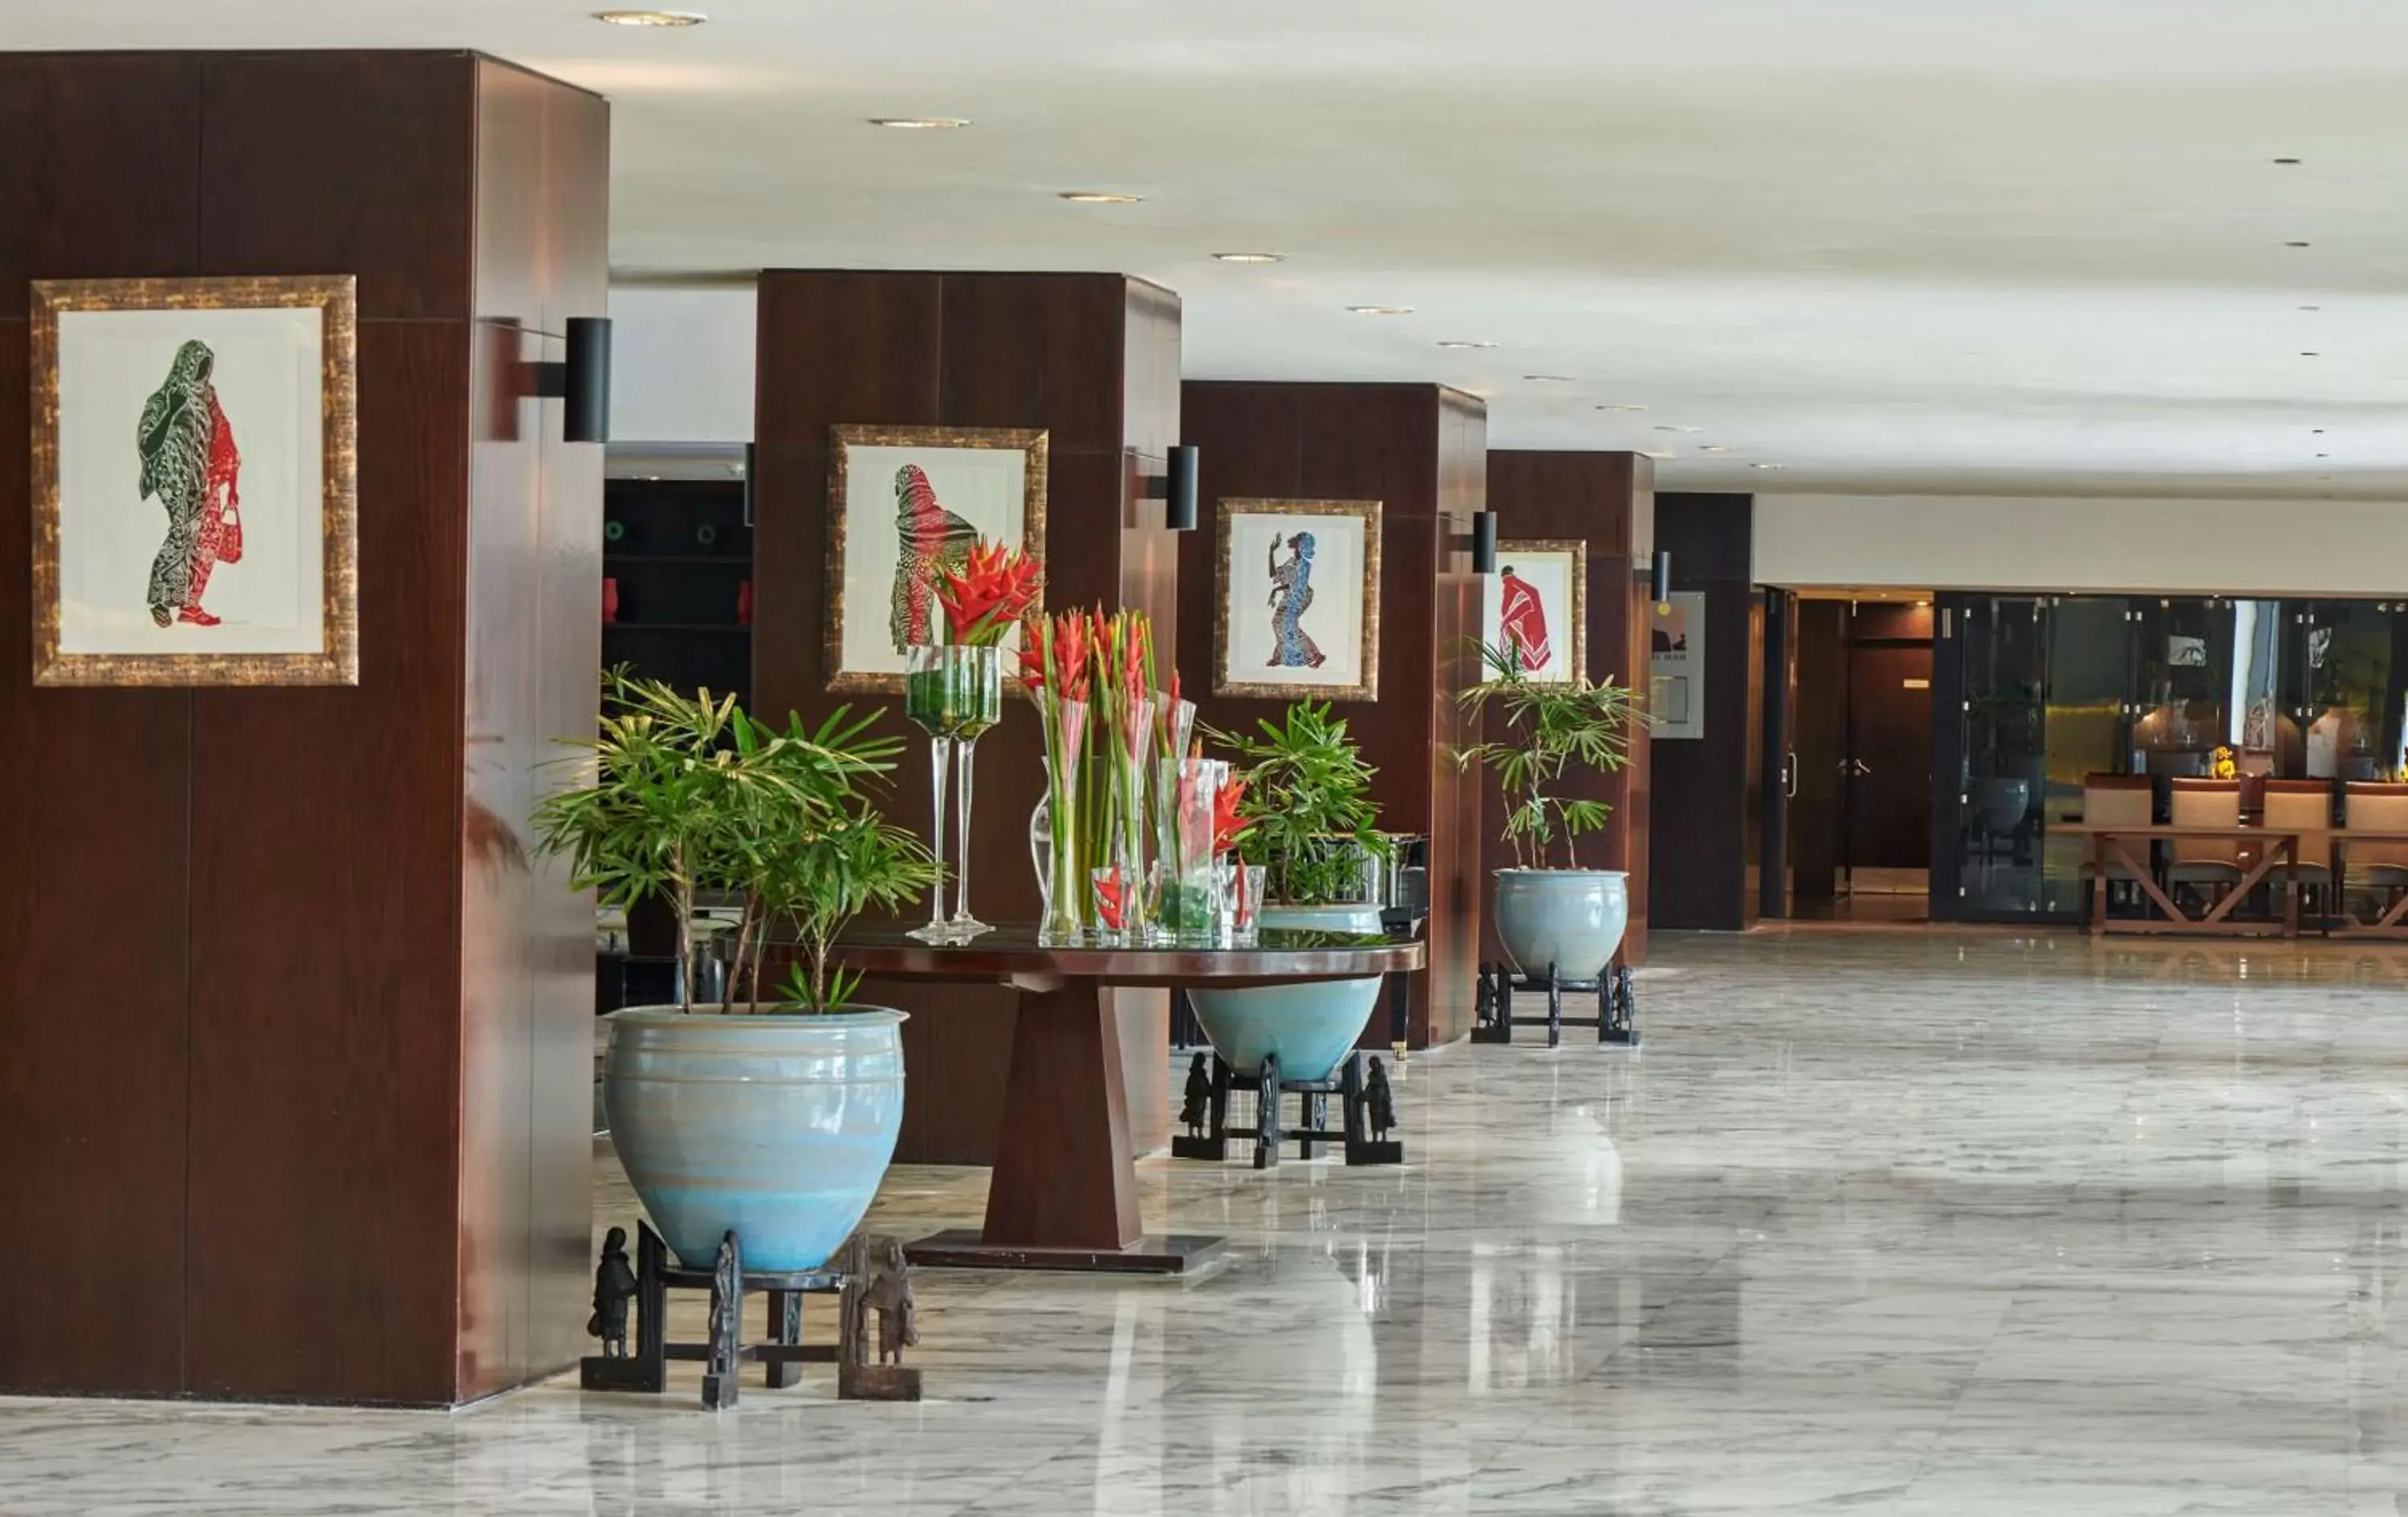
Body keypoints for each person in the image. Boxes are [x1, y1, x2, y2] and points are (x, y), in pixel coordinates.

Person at [139, 339, 240, 628]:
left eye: (207, 368)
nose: (202, 374)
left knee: (198, 538)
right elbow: (147, 447)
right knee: (183, 533)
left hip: (199, 479)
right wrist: (172, 411)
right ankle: (159, 600)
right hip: (170, 476)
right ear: (184, 365)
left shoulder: (206, 398)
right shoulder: (160, 400)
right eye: (198, 367)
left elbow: (219, 433)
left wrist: (226, 469)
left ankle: (186, 603)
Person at [1265, 531, 1327, 669]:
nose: (1291, 539)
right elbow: (1274, 575)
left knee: (1286, 623)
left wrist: (1277, 592)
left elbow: (1298, 584)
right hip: (1292, 594)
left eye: (1297, 538)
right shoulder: (1292, 562)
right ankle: (1280, 656)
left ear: (1302, 544)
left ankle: (1316, 655)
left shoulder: (1304, 562)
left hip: (1299, 596)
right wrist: (1271, 552)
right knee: (1279, 623)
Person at [1496, 565, 1552, 673]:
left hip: (1524, 622)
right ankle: (1523, 663)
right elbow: (1532, 594)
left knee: (1520, 638)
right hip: (1520, 624)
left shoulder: (1513, 587)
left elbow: (1531, 595)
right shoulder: (1513, 587)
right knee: (1518, 639)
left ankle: (1523, 662)